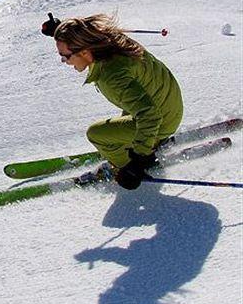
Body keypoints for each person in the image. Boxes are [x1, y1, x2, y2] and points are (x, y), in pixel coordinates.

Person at [41, 12, 183, 190]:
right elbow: (86, 31)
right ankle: (146, 142)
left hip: (161, 118)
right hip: (167, 101)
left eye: (66, 56)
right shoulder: (107, 42)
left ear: (84, 51)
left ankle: (129, 163)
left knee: (96, 134)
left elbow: (150, 115)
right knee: (131, 109)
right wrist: (62, 31)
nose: (64, 61)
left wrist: (138, 163)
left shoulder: (112, 76)